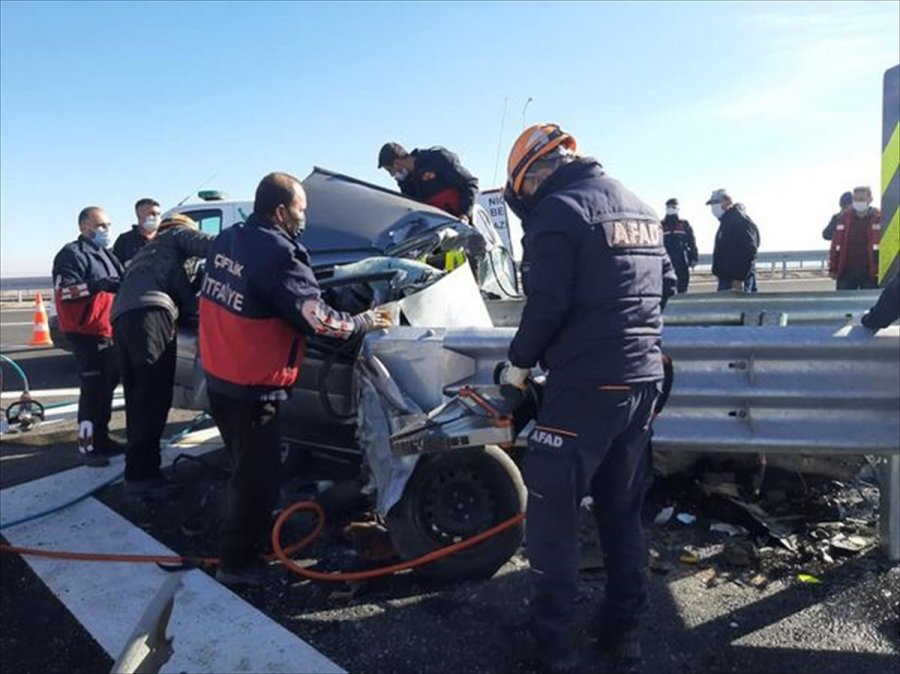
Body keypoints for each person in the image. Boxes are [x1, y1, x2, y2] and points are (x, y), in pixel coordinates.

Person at [498, 124, 676, 671]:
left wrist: (519, 364)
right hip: (642, 384)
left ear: (537, 171)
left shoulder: (558, 212)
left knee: (551, 519)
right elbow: (669, 283)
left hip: (583, 391)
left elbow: (546, 306)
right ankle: (624, 633)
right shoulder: (642, 208)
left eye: (523, 190)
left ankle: (554, 644)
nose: (526, 201)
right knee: (622, 514)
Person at [199, 172, 393, 586]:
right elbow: (317, 320)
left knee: (243, 469)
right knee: (258, 479)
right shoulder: (280, 256)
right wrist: (360, 321)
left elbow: (262, 292)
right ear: (281, 210)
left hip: (220, 376)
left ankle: (247, 534)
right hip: (254, 388)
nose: (304, 218)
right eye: (301, 210)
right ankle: (238, 561)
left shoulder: (229, 238)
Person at [111, 214, 213, 495]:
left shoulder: (149, 253)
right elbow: (212, 245)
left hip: (122, 318)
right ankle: (144, 479)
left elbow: (181, 293)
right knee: (153, 397)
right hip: (150, 315)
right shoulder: (176, 234)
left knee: (137, 397)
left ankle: (138, 473)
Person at [52, 206, 125, 466]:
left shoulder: (106, 254)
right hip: (86, 334)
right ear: (84, 227)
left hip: (109, 331)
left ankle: (102, 438)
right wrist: (98, 285)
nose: (105, 230)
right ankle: (87, 447)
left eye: (108, 225)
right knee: (92, 392)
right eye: (100, 225)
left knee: (107, 389)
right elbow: (66, 292)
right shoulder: (72, 254)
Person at [378, 142, 487, 274]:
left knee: (470, 269)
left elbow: (470, 184)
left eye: (391, 170)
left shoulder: (437, 160)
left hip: (461, 229)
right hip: (434, 240)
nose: (392, 175)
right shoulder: (406, 183)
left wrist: (464, 214)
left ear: (397, 163)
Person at [828, 186, 881, 290]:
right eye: (856, 200)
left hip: (870, 271)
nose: (858, 203)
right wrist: (833, 268)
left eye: (862, 199)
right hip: (846, 269)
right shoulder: (843, 218)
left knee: (870, 303)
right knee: (844, 303)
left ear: (870, 199)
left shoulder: (879, 218)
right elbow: (835, 244)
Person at [707, 188, 760, 292]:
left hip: (735, 280)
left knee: (738, 307)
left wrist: (739, 278)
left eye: (716, 202)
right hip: (727, 278)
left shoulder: (738, 220)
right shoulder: (727, 221)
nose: (713, 207)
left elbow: (749, 250)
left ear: (728, 201)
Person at [660, 197, 698, 293]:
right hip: (666, 260)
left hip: (681, 260)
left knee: (682, 287)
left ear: (677, 208)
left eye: (673, 206)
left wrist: (693, 258)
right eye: (669, 206)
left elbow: (691, 242)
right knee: (667, 288)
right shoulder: (661, 225)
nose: (671, 208)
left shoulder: (684, 224)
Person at [112, 198, 162, 266]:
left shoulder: (166, 239)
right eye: (152, 214)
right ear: (138, 215)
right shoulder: (125, 241)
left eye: (158, 214)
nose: (156, 217)